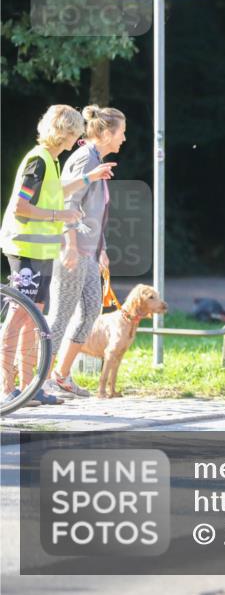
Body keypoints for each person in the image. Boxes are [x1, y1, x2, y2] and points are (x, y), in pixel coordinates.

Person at [0, 106, 113, 407]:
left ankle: (29, 387)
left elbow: (58, 190)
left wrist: (88, 178)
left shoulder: (51, 160)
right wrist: (59, 215)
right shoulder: (37, 161)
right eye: (74, 133)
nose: (76, 139)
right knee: (17, 319)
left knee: (32, 320)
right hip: (24, 249)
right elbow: (20, 208)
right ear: (63, 132)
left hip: (42, 251)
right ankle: (6, 389)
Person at [43, 106, 124, 399]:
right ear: (104, 133)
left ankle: (60, 376)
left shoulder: (97, 160)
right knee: (60, 315)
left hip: (89, 253)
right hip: (72, 251)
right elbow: (67, 203)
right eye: (121, 132)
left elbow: (94, 212)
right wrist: (72, 246)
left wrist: (100, 249)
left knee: (90, 310)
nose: (124, 139)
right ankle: (36, 380)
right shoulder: (83, 159)